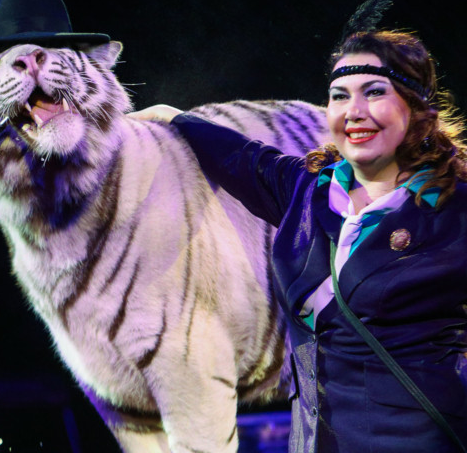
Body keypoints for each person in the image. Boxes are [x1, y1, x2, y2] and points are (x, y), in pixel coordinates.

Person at [131, 29, 467, 452]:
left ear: (416, 108)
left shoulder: (454, 210)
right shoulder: (307, 192)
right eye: (339, 96)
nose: (354, 111)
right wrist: (173, 118)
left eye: (374, 92)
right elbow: (241, 158)